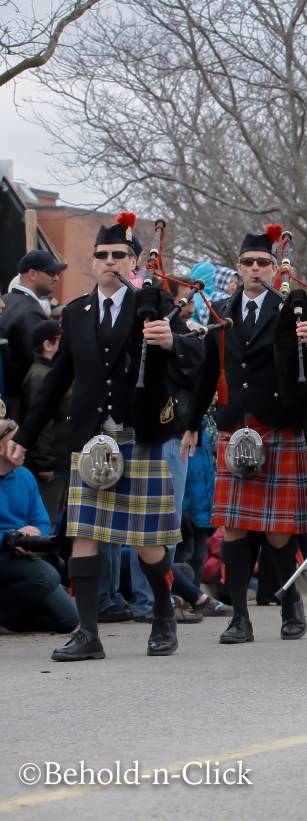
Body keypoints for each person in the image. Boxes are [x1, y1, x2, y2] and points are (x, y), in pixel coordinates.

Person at [8, 212, 203, 660]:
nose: (110, 261)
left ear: (133, 262)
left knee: (148, 544)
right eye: (102, 255)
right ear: (93, 262)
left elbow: (196, 354)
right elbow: (57, 380)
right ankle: (88, 634)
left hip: (142, 436)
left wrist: (172, 342)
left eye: (119, 254)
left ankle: (163, 614)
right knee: (84, 535)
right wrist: (27, 433)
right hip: (93, 442)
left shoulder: (153, 302)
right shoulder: (76, 313)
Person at [181, 224, 307, 644]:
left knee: (278, 530)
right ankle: (239, 618)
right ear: (239, 268)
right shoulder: (221, 310)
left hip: (277, 424)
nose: (256, 268)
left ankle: (290, 601)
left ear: (273, 268)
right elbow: (208, 372)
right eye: (248, 262)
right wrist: (191, 423)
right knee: (234, 527)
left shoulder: (289, 308)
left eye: (263, 262)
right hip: (235, 427)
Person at [0, 410, 78, 633]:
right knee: (47, 576)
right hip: (3, 550)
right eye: (17, 442)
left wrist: (34, 538)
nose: (25, 447)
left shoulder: (25, 475)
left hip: (24, 553)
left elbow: (41, 520)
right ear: (1, 449)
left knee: (68, 620)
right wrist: (12, 538)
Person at [0, 250, 63, 417]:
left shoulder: (6, 300)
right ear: (32, 274)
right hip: (18, 403)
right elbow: (35, 362)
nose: (56, 278)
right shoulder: (30, 311)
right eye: (51, 272)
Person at [21, 320, 70, 524]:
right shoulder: (40, 375)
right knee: (47, 520)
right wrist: (46, 462)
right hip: (51, 465)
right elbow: (41, 424)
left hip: (62, 460)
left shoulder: (54, 372)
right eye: (61, 341)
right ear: (47, 345)